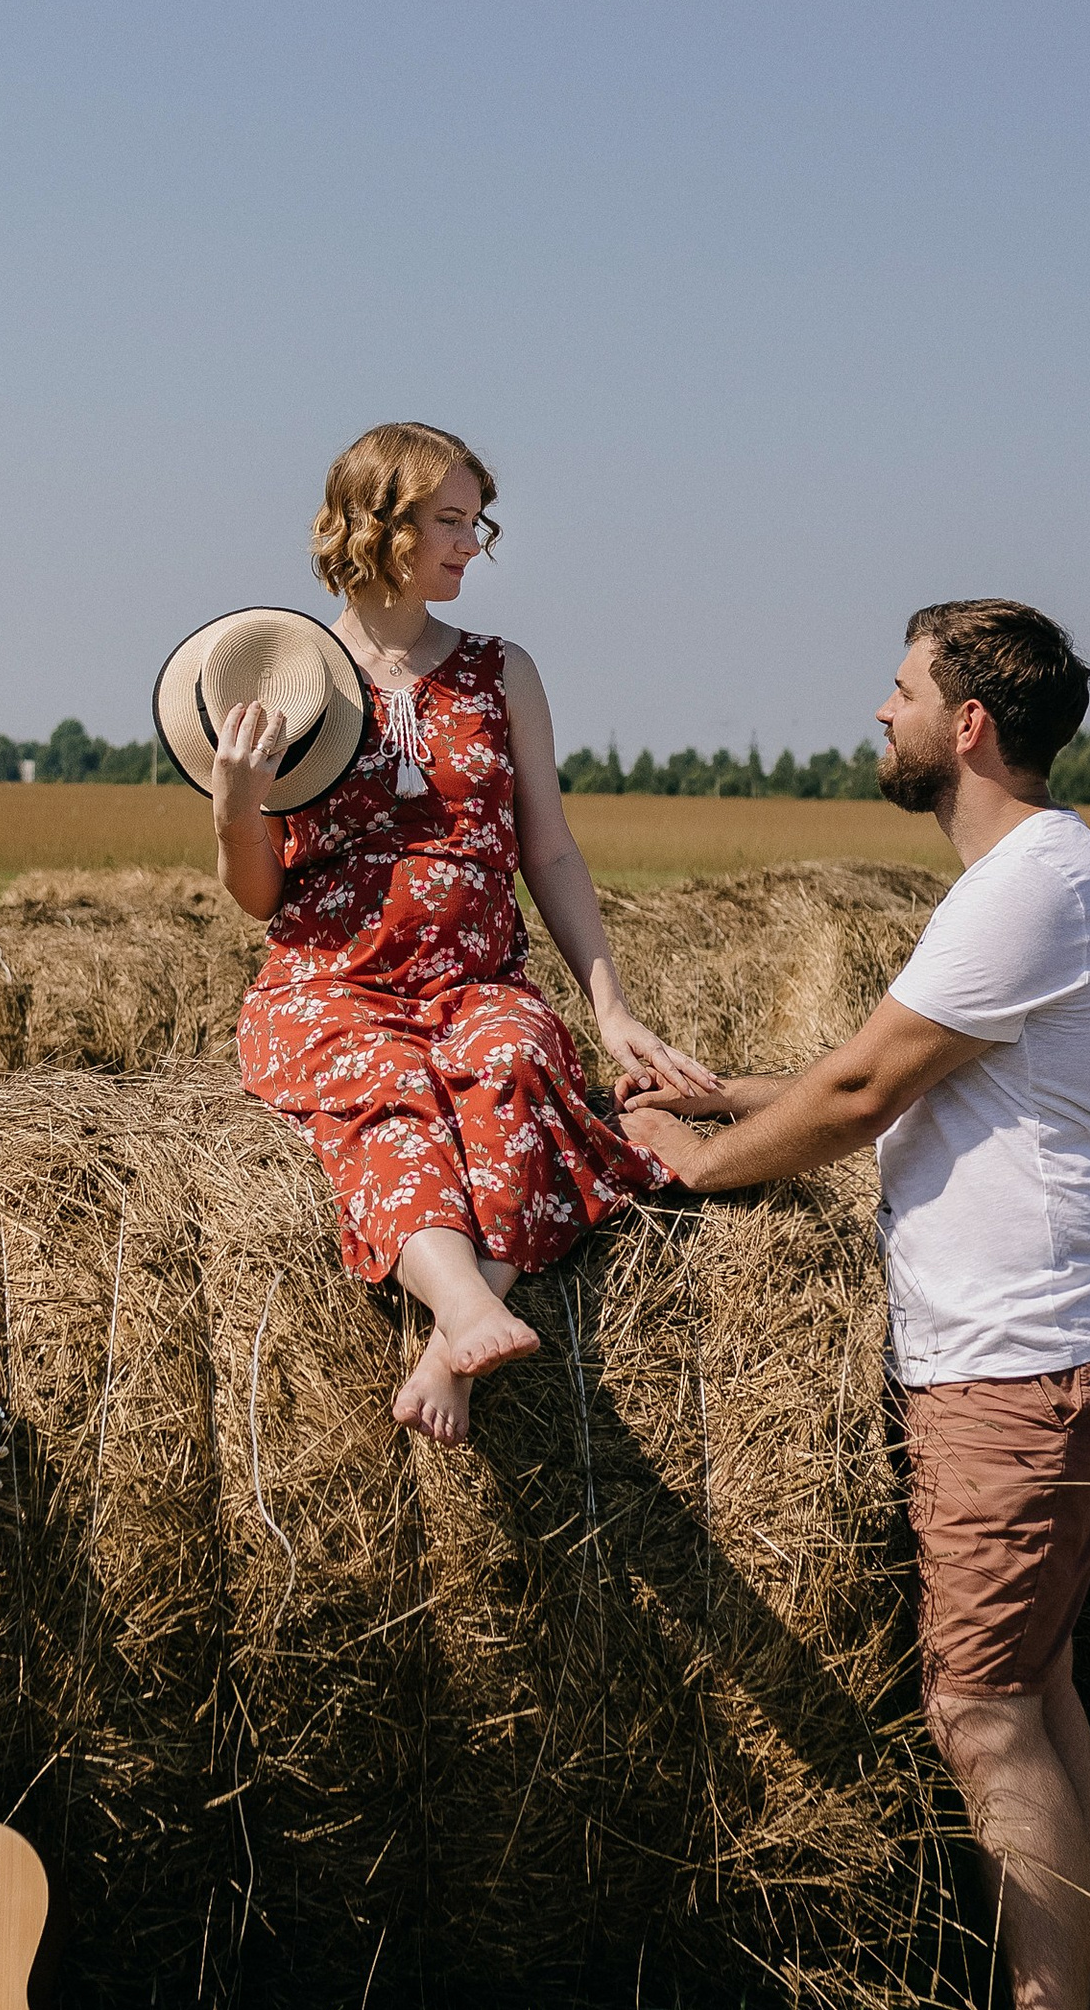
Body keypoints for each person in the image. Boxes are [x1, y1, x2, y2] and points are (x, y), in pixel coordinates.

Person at [621, 599, 1090, 2010]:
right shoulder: (1033, 877)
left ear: (970, 725)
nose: (883, 710)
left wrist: (700, 1169)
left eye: (906, 689)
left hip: (1026, 1360)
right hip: (1042, 1345)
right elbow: (909, 1067)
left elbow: (865, 1093)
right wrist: (729, 1089)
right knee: (1036, 1686)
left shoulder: (1028, 884)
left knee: (980, 1705)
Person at [214, 422, 719, 1445]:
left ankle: (455, 1334)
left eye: (474, 522)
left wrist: (607, 1005)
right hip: (332, 985)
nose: (470, 545)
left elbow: (552, 852)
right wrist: (233, 804)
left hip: (477, 979)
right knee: (390, 1102)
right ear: (375, 523)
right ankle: (471, 1307)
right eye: (448, 521)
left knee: (524, 1063)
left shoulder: (501, 671)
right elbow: (259, 895)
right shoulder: (288, 676)